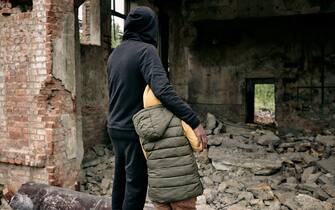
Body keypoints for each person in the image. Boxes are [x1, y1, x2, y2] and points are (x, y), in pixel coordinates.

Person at [106, 6, 208, 210]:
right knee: (136, 188)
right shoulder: (146, 51)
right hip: (135, 130)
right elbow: (163, 90)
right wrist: (193, 121)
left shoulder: (115, 53)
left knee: (121, 183)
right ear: (150, 28)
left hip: (114, 127)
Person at [132, 85, 204, 209]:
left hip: (159, 190)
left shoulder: (141, 127)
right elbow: (198, 146)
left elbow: (147, 156)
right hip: (184, 189)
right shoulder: (180, 117)